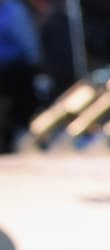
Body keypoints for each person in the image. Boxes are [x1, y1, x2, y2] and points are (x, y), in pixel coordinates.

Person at [0, 0, 39, 151]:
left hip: (16, 70)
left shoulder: (14, 10)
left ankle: (23, 144)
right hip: (4, 70)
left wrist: (35, 61)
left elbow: (27, 38)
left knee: (21, 109)